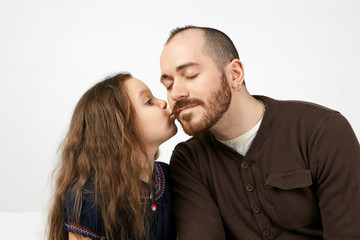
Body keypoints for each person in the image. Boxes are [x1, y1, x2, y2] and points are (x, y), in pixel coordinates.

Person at [160, 26, 360, 239]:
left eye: (190, 75)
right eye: (168, 84)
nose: (176, 93)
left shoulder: (322, 131)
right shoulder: (189, 160)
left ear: (235, 74)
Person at [48, 73, 177, 240]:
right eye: (148, 101)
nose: (163, 102)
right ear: (120, 128)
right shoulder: (90, 195)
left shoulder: (168, 177)